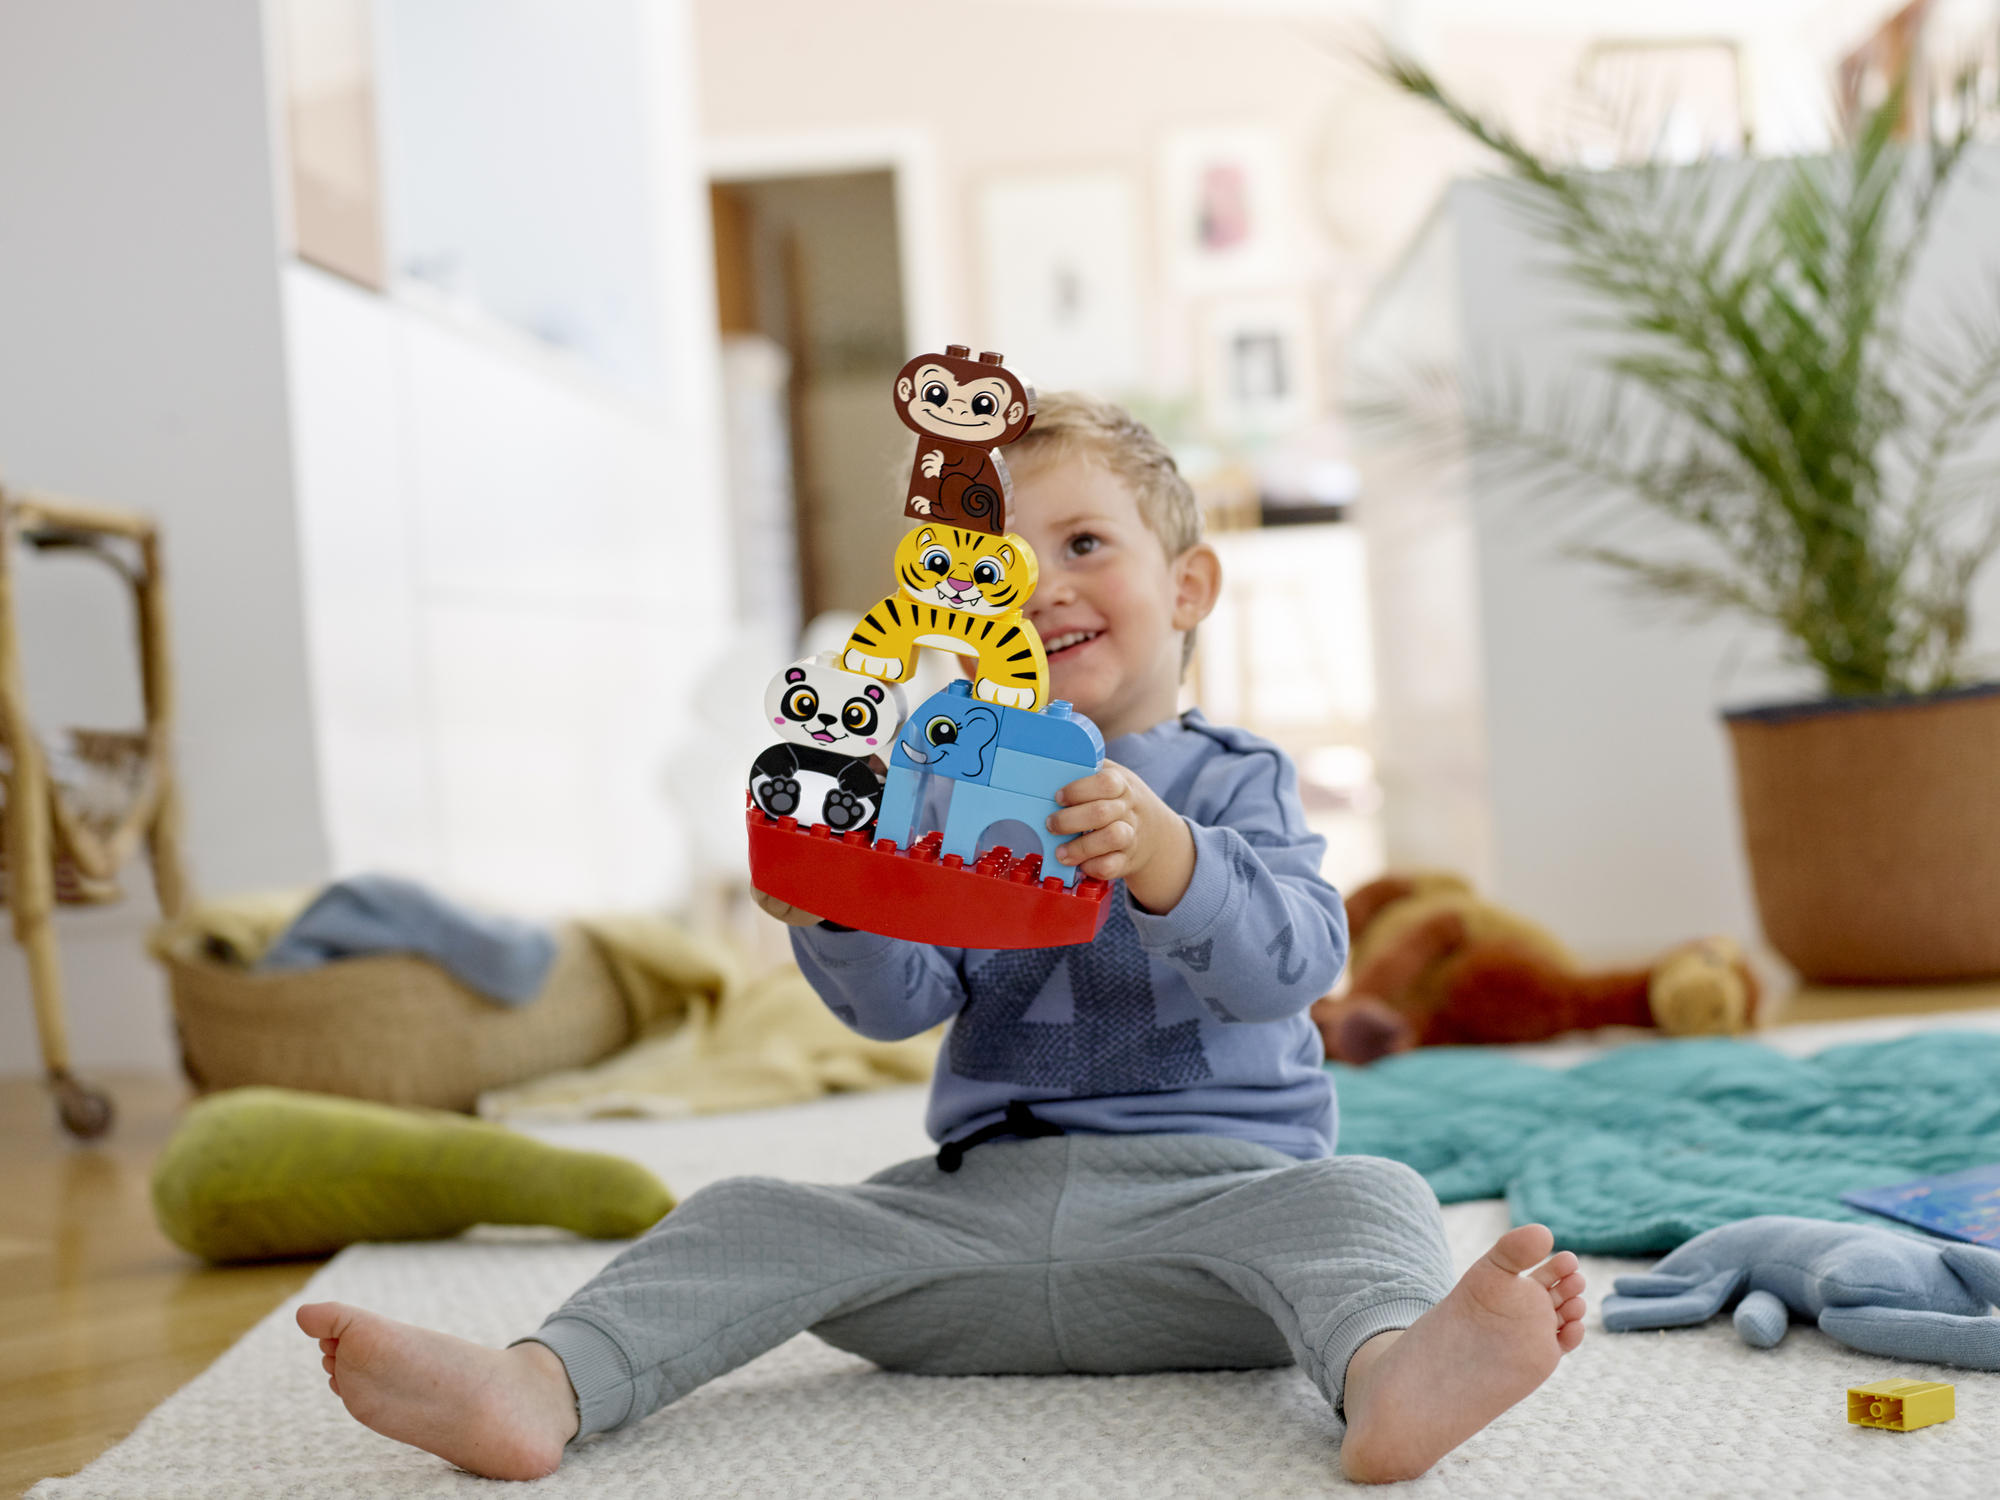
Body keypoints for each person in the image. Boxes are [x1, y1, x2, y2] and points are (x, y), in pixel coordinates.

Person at [297, 393, 1585, 1485]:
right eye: (995, 565)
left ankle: (1388, 1376)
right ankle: (541, 1385)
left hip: (1221, 1226)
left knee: (1375, 1195)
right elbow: (897, 1004)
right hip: (975, 1235)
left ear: (1188, 586)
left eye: (1084, 543)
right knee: (748, 1211)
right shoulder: (939, 785)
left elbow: (1293, 966)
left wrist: (1166, 854)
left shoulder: (1236, 778)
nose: (1041, 585)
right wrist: (840, 905)